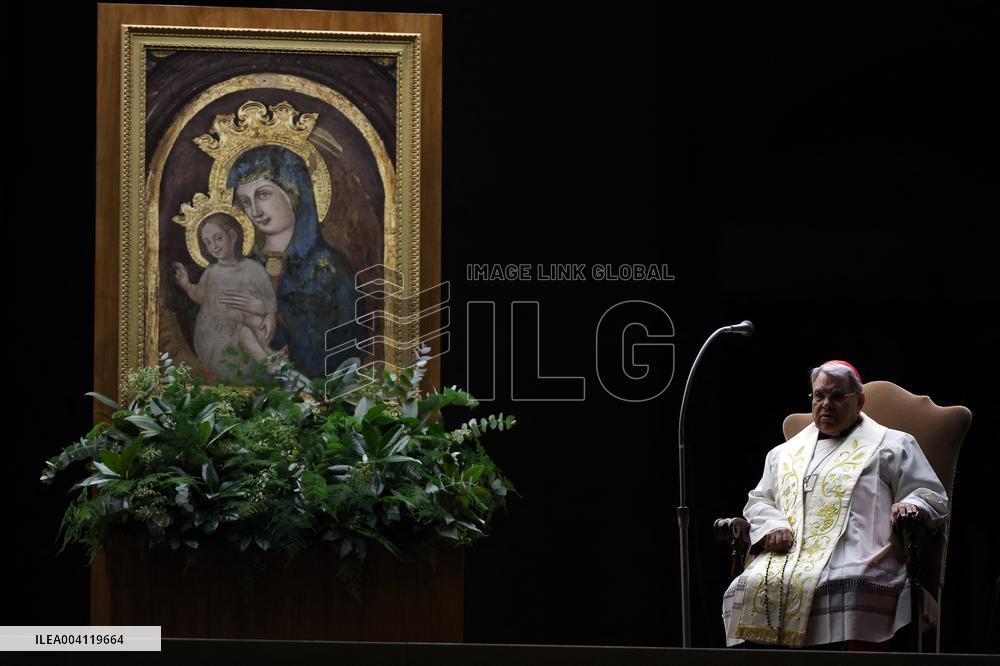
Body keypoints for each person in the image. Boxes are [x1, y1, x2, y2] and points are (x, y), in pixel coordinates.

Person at [721, 360, 948, 649]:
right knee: (747, 587)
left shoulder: (894, 445)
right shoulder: (783, 454)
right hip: (788, 557)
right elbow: (760, 500)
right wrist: (773, 526)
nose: (826, 404)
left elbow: (929, 493)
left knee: (854, 586)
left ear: (859, 401)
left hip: (861, 554)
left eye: (838, 396)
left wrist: (911, 505)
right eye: (819, 395)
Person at [225, 145, 366, 379]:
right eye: (245, 201)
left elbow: (348, 343)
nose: (255, 210)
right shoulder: (241, 265)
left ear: (294, 191)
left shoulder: (330, 269)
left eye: (263, 195)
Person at [172, 213, 283, 378]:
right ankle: (269, 365)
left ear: (232, 236)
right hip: (214, 336)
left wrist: (269, 316)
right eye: (208, 243)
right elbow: (199, 296)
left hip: (243, 326)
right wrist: (186, 284)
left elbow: (269, 300)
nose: (214, 246)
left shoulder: (254, 269)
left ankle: (270, 356)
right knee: (244, 331)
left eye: (218, 238)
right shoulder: (211, 273)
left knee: (255, 321)